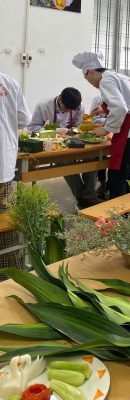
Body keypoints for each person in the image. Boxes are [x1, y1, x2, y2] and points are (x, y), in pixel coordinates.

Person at [73, 52, 130, 199]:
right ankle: (129, 211)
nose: (89, 82)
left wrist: (106, 129)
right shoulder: (122, 77)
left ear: (90, 72)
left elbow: (120, 107)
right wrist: (104, 109)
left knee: (116, 180)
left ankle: (118, 213)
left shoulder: (105, 80)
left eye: (86, 78)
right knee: (128, 177)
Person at [27, 87, 99, 208]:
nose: (68, 111)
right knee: (65, 162)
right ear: (60, 99)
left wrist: (72, 131)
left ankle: (88, 195)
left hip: (73, 141)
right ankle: (84, 199)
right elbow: (32, 127)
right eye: (66, 108)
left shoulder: (78, 107)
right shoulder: (43, 106)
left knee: (92, 157)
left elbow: (79, 126)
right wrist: (50, 130)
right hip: (53, 144)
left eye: (71, 109)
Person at [0, 72, 30, 279]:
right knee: (6, 219)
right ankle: (9, 275)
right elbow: (23, 119)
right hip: (4, 164)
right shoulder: (8, 81)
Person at [90, 95, 108, 199]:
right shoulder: (97, 99)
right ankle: (103, 184)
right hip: (101, 132)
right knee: (101, 155)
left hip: (113, 132)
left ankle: (106, 186)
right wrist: (108, 120)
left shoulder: (119, 99)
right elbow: (94, 119)